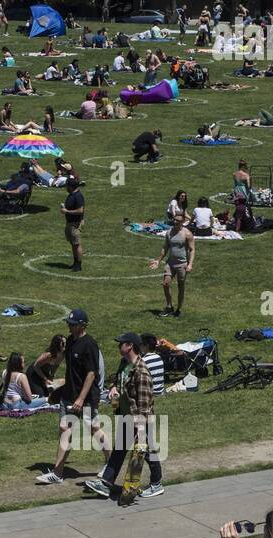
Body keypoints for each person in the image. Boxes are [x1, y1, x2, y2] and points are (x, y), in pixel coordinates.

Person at [85, 332, 164, 500]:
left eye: (121, 343)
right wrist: (113, 387)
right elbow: (117, 378)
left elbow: (144, 402)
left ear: (130, 346)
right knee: (119, 450)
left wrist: (140, 427)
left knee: (147, 452)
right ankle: (106, 483)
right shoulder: (125, 363)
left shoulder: (141, 372)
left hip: (140, 419)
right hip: (127, 416)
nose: (118, 346)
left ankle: (156, 484)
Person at [36, 309, 109, 485]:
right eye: (69, 323)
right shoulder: (70, 341)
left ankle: (111, 464)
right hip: (69, 394)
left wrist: (81, 399)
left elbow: (91, 374)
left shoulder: (89, 344)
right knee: (65, 430)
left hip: (86, 397)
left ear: (82, 325)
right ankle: (58, 473)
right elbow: (67, 366)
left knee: (94, 428)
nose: (69, 326)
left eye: (73, 324)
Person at [150, 213, 196, 317]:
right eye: (175, 220)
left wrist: (190, 264)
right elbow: (165, 248)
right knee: (166, 284)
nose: (175, 222)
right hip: (170, 263)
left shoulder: (187, 234)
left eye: (178, 221)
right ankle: (169, 306)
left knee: (181, 286)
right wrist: (158, 260)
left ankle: (179, 308)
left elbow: (192, 250)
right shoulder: (169, 233)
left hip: (182, 264)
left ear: (183, 222)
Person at [60, 176, 85, 271]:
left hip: (75, 224)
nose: (66, 187)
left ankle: (78, 265)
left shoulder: (78, 196)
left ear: (71, 186)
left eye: (67, 185)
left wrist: (67, 211)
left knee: (77, 244)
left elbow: (80, 210)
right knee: (73, 244)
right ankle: (75, 263)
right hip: (70, 223)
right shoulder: (72, 195)